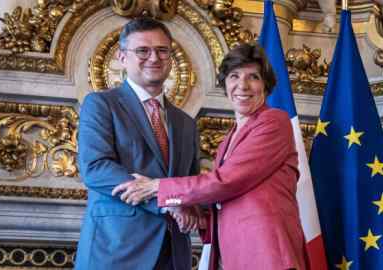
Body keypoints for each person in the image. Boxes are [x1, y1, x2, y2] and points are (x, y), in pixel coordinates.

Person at [112, 43, 310, 270]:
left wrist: (158, 187)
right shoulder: (229, 138)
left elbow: (228, 181)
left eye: (253, 77)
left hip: (268, 254)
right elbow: (229, 199)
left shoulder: (273, 121)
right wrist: (192, 211)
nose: (242, 85)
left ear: (265, 86)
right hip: (237, 253)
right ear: (225, 85)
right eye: (234, 76)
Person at [74, 17, 201, 270]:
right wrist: (166, 203)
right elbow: (96, 168)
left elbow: (191, 184)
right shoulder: (101, 105)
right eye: (142, 50)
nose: (154, 58)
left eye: (162, 50)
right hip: (116, 251)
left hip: (174, 253)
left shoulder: (186, 123)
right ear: (122, 57)